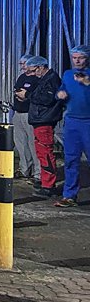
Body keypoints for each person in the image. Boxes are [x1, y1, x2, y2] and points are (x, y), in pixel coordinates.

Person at [55, 45, 90, 207]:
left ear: (86, 58)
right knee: (70, 159)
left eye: (80, 57)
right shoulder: (68, 74)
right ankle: (69, 195)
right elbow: (62, 89)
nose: (77, 61)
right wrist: (60, 94)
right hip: (72, 122)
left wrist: (86, 82)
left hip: (88, 121)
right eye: (74, 57)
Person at [25, 56, 61, 198]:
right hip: (41, 119)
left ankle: (49, 185)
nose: (33, 74)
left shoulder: (51, 80)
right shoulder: (46, 79)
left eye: (33, 71)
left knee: (45, 153)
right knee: (42, 152)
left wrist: (27, 94)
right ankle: (46, 182)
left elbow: (47, 99)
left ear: (40, 67)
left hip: (44, 120)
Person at [11, 54, 39, 184]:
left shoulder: (37, 79)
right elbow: (17, 89)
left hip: (30, 114)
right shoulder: (22, 77)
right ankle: (24, 169)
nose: (22, 67)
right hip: (18, 112)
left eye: (24, 64)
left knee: (33, 143)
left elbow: (36, 95)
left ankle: (38, 173)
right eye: (21, 64)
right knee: (21, 143)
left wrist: (26, 96)